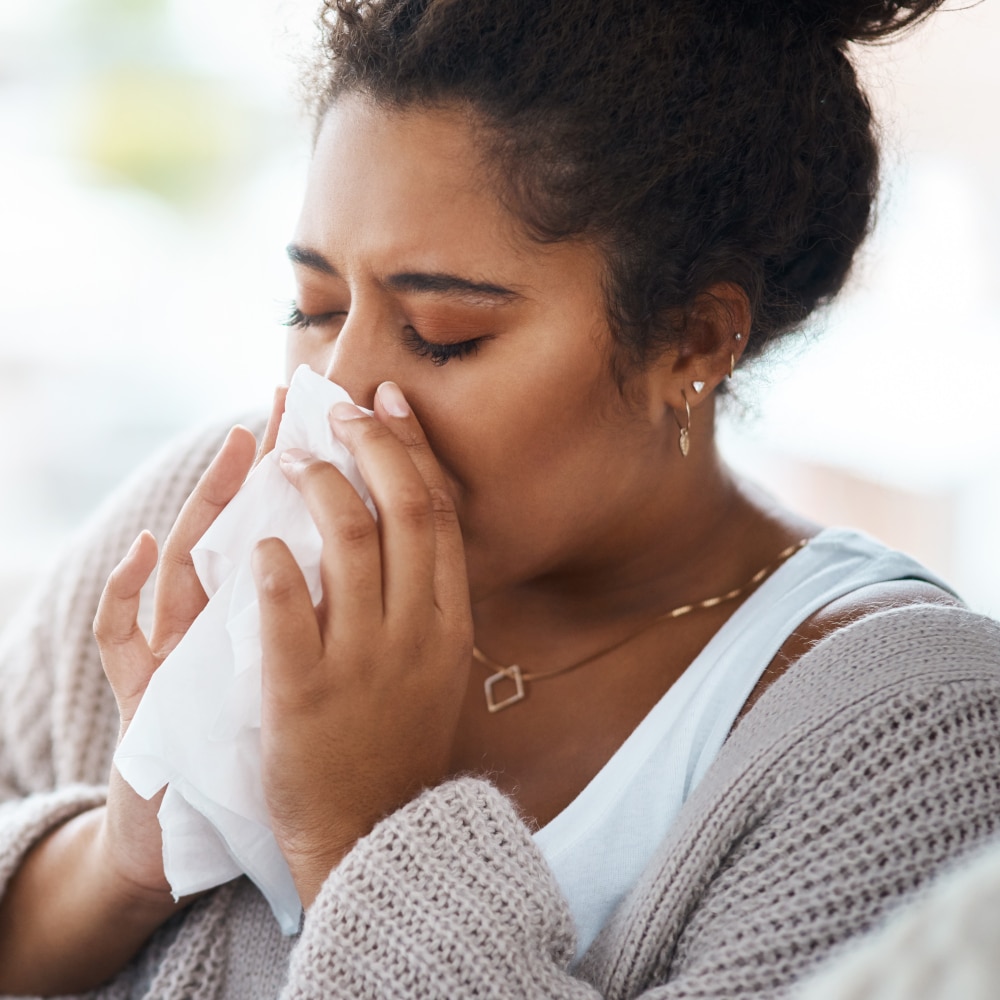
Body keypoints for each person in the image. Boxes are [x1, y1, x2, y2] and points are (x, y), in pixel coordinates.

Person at [1, 0, 999, 996]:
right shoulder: (219, 518)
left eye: (442, 333)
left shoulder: (917, 734)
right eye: (316, 309)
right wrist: (122, 860)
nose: (338, 392)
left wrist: (363, 832)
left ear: (692, 342)